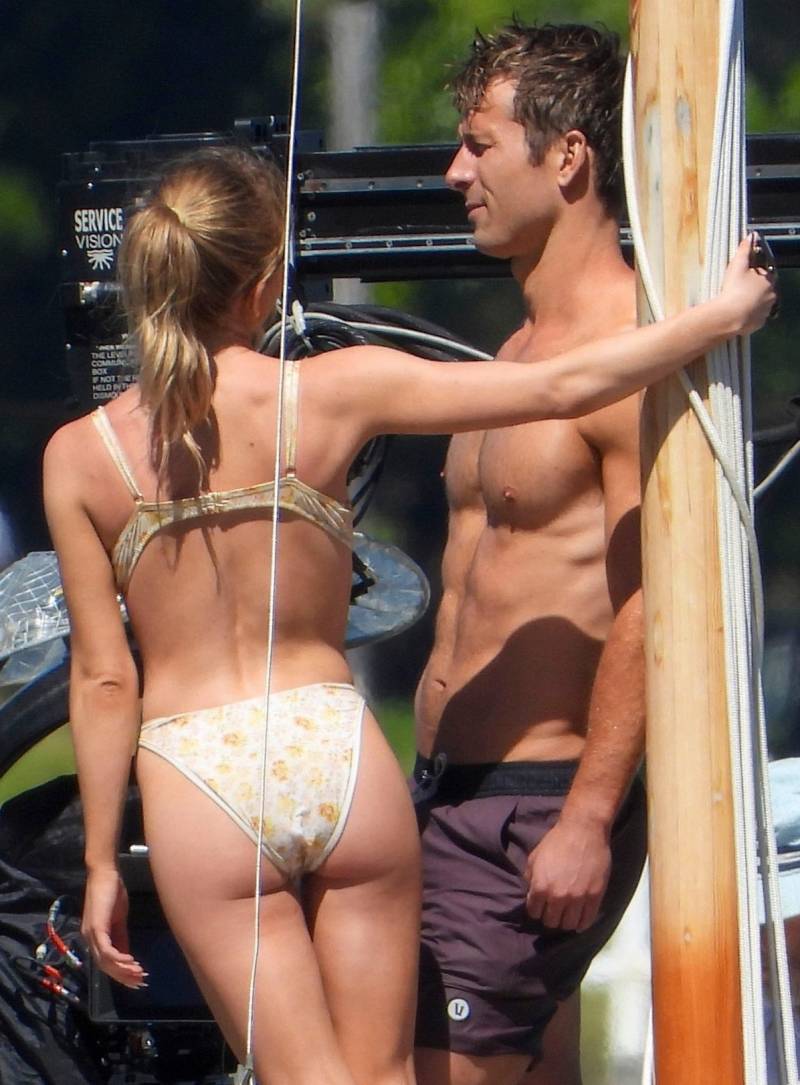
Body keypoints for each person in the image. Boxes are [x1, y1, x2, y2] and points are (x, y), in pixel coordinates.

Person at [42, 145, 772, 1085]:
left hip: (197, 767)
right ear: (262, 284)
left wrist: (102, 860)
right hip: (334, 745)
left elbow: (104, 678)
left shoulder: (80, 456)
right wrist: (718, 317)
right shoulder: (331, 389)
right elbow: (559, 387)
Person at [410, 21, 712, 1085]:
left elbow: (653, 599)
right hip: (450, 790)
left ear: (569, 157)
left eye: (479, 145)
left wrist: (587, 814)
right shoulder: (520, 355)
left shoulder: (626, 349)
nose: (455, 174)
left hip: (535, 803)